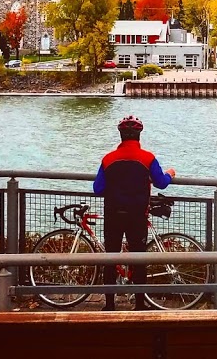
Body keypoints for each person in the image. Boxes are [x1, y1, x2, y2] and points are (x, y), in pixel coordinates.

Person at [92, 114, 176, 310]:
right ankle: (139, 305)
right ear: (139, 135)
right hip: (137, 215)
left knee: (110, 259)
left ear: (121, 135)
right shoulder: (147, 157)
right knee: (139, 259)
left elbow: (98, 189)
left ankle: (110, 305)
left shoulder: (108, 159)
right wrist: (170, 174)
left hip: (113, 215)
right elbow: (161, 183)